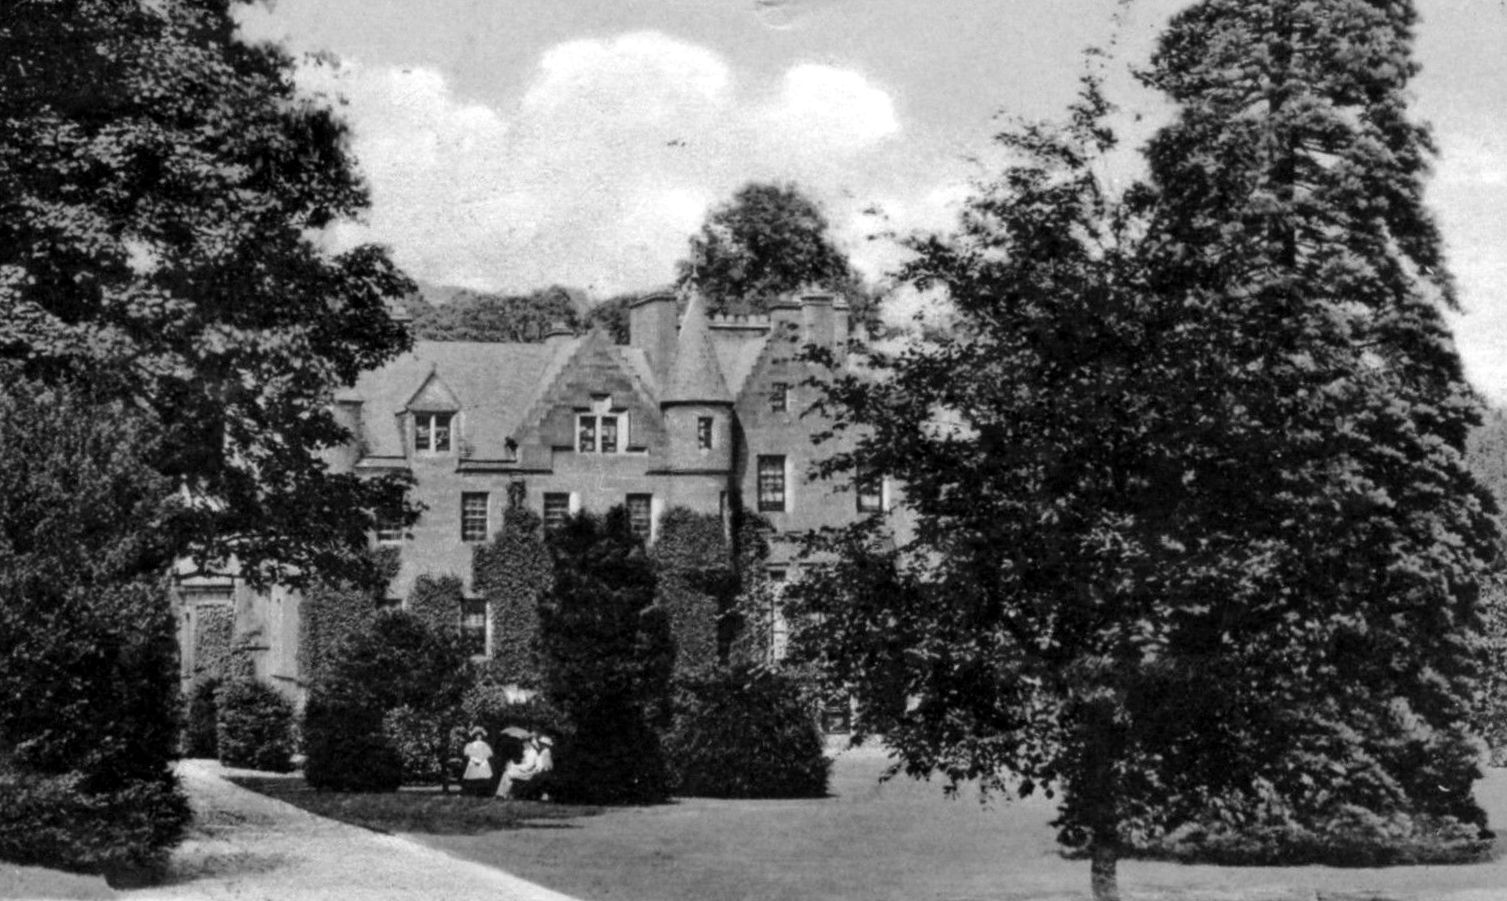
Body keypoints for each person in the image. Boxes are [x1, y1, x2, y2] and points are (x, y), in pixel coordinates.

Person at [497, 733, 553, 799]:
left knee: (508, 773)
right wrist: (513, 766)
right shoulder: (527, 751)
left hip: (529, 773)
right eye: (523, 742)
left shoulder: (533, 752)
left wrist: (513, 766)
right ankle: (502, 794)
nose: (523, 744)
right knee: (507, 772)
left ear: (529, 743)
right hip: (527, 772)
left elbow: (528, 766)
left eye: (525, 742)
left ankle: (503, 794)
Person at [460, 727, 494, 797]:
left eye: (480, 736)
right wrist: (474, 759)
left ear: (482, 736)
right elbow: (468, 754)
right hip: (473, 761)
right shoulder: (471, 745)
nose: (478, 737)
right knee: (472, 777)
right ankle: (470, 792)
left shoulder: (484, 744)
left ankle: (483, 792)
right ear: (475, 737)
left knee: (484, 777)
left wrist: (482, 760)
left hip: (483, 761)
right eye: (477, 736)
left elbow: (488, 754)